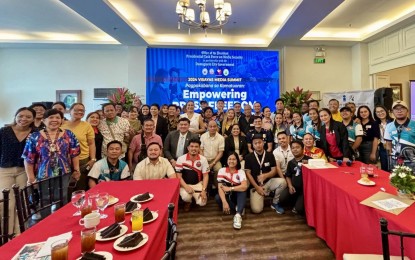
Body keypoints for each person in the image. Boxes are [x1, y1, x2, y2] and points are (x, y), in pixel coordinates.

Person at [22, 109, 81, 203]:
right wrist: (31, 178)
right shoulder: (34, 136)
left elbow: (75, 153)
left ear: (62, 120)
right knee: (44, 199)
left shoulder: (69, 134)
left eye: (58, 117)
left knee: (63, 198)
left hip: (64, 172)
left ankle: (61, 218)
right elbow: (29, 158)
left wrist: (77, 170)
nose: (55, 120)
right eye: (51, 117)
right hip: (43, 174)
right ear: (44, 120)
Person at [0, 107, 35, 234]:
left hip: (24, 170)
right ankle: (7, 234)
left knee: (22, 203)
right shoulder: (4, 131)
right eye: (20, 116)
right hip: (5, 170)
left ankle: (20, 232)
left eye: (28, 117)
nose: (23, 119)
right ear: (15, 116)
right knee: (7, 203)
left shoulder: (35, 133)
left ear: (33, 119)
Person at [244, 134, 286, 214]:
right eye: (255, 143)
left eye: (259, 142)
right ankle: (263, 195)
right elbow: (248, 174)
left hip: (268, 183)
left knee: (283, 182)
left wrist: (265, 175)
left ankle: (275, 202)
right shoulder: (248, 157)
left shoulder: (270, 155)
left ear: (263, 143)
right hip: (255, 186)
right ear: (252, 145)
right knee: (257, 210)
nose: (258, 145)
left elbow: (274, 170)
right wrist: (257, 187)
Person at [61, 103, 96, 191]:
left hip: (83, 160)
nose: (79, 112)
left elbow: (91, 144)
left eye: (82, 110)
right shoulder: (62, 125)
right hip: (65, 160)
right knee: (66, 188)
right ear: (70, 111)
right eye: (76, 110)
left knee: (80, 187)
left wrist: (92, 159)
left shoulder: (86, 125)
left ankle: (80, 204)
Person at [215, 152, 248, 229]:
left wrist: (230, 188)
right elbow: (220, 188)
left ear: (237, 161)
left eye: (234, 159)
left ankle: (238, 215)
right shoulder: (221, 170)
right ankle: (238, 208)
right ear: (226, 160)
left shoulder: (241, 171)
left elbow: (244, 186)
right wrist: (224, 202)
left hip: (237, 195)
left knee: (242, 191)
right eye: (229, 159)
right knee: (218, 197)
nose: (231, 161)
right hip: (228, 196)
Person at [175, 139, 209, 212]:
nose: (194, 148)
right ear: (188, 148)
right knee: (186, 197)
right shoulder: (181, 159)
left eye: (196, 147)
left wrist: (204, 190)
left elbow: (206, 176)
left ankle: (194, 198)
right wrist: (186, 187)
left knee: (202, 202)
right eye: (192, 146)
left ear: (199, 148)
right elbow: (178, 176)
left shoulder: (203, 159)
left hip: (198, 184)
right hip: (184, 185)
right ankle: (188, 202)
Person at [279, 140, 312, 215]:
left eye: (297, 147)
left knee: (299, 210)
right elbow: (288, 176)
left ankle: (299, 203)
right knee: (282, 199)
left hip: (305, 190)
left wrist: (309, 165)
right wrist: (290, 186)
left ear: (303, 148)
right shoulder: (291, 162)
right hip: (293, 188)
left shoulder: (309, 160)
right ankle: (296, 201)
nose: (295, 149)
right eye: (293, 148)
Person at [384, 101, 415, 169]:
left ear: (407, 111)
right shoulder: (389, 126)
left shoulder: (414, 124)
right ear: (393, 112)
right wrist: (390, 160)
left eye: (402, 108)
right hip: (395, 161)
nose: (399, 111)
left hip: (412, 161)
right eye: (396, 109)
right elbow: (388, 144)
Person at [200, 120, 225, 185]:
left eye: (214, 126)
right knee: (199, 168)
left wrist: (213, 163)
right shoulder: (203, 136)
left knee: (219, 170)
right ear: (207, 127)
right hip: (204, 159)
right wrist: (204, 161)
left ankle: (216, 187)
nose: (212, 128)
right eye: (210, 126)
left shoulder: (221, 138)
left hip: (215, 160)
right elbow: (201, 150)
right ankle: (203, 186)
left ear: (217, 127)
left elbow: (221, 152)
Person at [374, 105, 393, 171]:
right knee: (384, 167)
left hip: (393, 147)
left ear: (386, 111)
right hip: (382, 147)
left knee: (393, 167)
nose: (380, 113)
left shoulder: (393, 122)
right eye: (378, 112)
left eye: (382, 111)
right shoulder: (376, 124)